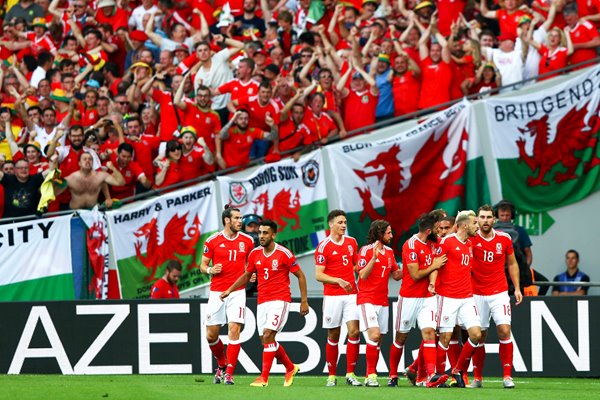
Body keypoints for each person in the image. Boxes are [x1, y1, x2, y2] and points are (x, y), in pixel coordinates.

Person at [220, 219, 309, 387]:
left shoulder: (284, 253)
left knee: (268, 335)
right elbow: (247, 276)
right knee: (265, 340)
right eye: (260, 232)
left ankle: (264, 378)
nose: (261, 236)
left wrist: (304, 301)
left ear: (273, 235)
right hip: (263, 301)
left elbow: (301, 276)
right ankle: (290, 368)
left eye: (265, 233)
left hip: (280, 300)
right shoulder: (254, 254)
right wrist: (230, 289)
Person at [389, 214, 447, 388]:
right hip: (409, 297)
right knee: (401, 337)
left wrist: (431, 282)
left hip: (427, 298)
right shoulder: (410, 245)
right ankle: (393, 375)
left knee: (429, 333)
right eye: (437, 229)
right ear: (428, 231)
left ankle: (431, 376)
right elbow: (414, 275)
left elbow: (434, 267)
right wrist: (434, 265)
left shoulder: (433, 243)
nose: (439, 233)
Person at [469, 205, 523, 389]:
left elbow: (513, 264)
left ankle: (507, 376)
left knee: (505, 331)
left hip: (499, 292)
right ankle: (477, 378)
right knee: (479, 336)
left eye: (488, 217)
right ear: (477, 219)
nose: (485, 220)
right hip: (476, 294)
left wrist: (517, 288)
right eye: (482, 217)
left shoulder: (504, 238)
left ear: (494, 220)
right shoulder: (470, 238)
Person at [200, 205, 255, 385]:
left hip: (237, 291)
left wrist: (252, 273)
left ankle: (229, 373)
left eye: (241, 218)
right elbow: (202, 266)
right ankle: (222, 364)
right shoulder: (212, 240)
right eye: (237, 218)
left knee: (234, 329)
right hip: (217, 291)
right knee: (211, 335)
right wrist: (210, 269)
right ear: (227, 220)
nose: (241, 221)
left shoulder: (247, 241)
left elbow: (251, 264)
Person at [433, 210, 482, 388]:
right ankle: (438, 376)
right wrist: (433, 285)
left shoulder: (470, 243)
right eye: (474, 223)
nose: (477, 226)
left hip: (467, 297)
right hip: (448, 297)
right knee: (445, 337)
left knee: (476, 335)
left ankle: (457, 370)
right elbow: (436, 266)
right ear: (464, 226)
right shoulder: (446, 243)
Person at [314, 209, 362, 387]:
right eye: (340, 222)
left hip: (351, 294)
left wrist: (365, 269)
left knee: (354, 332)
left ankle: (350, 373)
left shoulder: (351, 242)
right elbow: (318, 275)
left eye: (345, 222)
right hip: (333, 295)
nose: (343, 225)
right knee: (334, 333)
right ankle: (332, 375)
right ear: (331, 224)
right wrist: (338, 280)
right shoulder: (323, 246)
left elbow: (356, 264)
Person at [357, 220, 402, 387]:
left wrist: (415, 266)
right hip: (366, 299)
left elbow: (396, 275)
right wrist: (373, 259)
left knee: (378, 340)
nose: (391, 235)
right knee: (374, 335)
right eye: (388, 233)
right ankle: (371, 375)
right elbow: (362, 275)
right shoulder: (366, 250)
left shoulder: (390, 252)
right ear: (380, 233)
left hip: (383, 301)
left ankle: (371, 375)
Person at [54, 152, 125, 210]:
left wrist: (113, 168)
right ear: (79, 163)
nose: (87, 161)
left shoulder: (101, 176)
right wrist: (53, 173)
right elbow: (54, 193)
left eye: (90, 159)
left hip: (94, 211)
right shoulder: (71, 178)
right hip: (75, 212)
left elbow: (120, 182)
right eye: (84, 159)